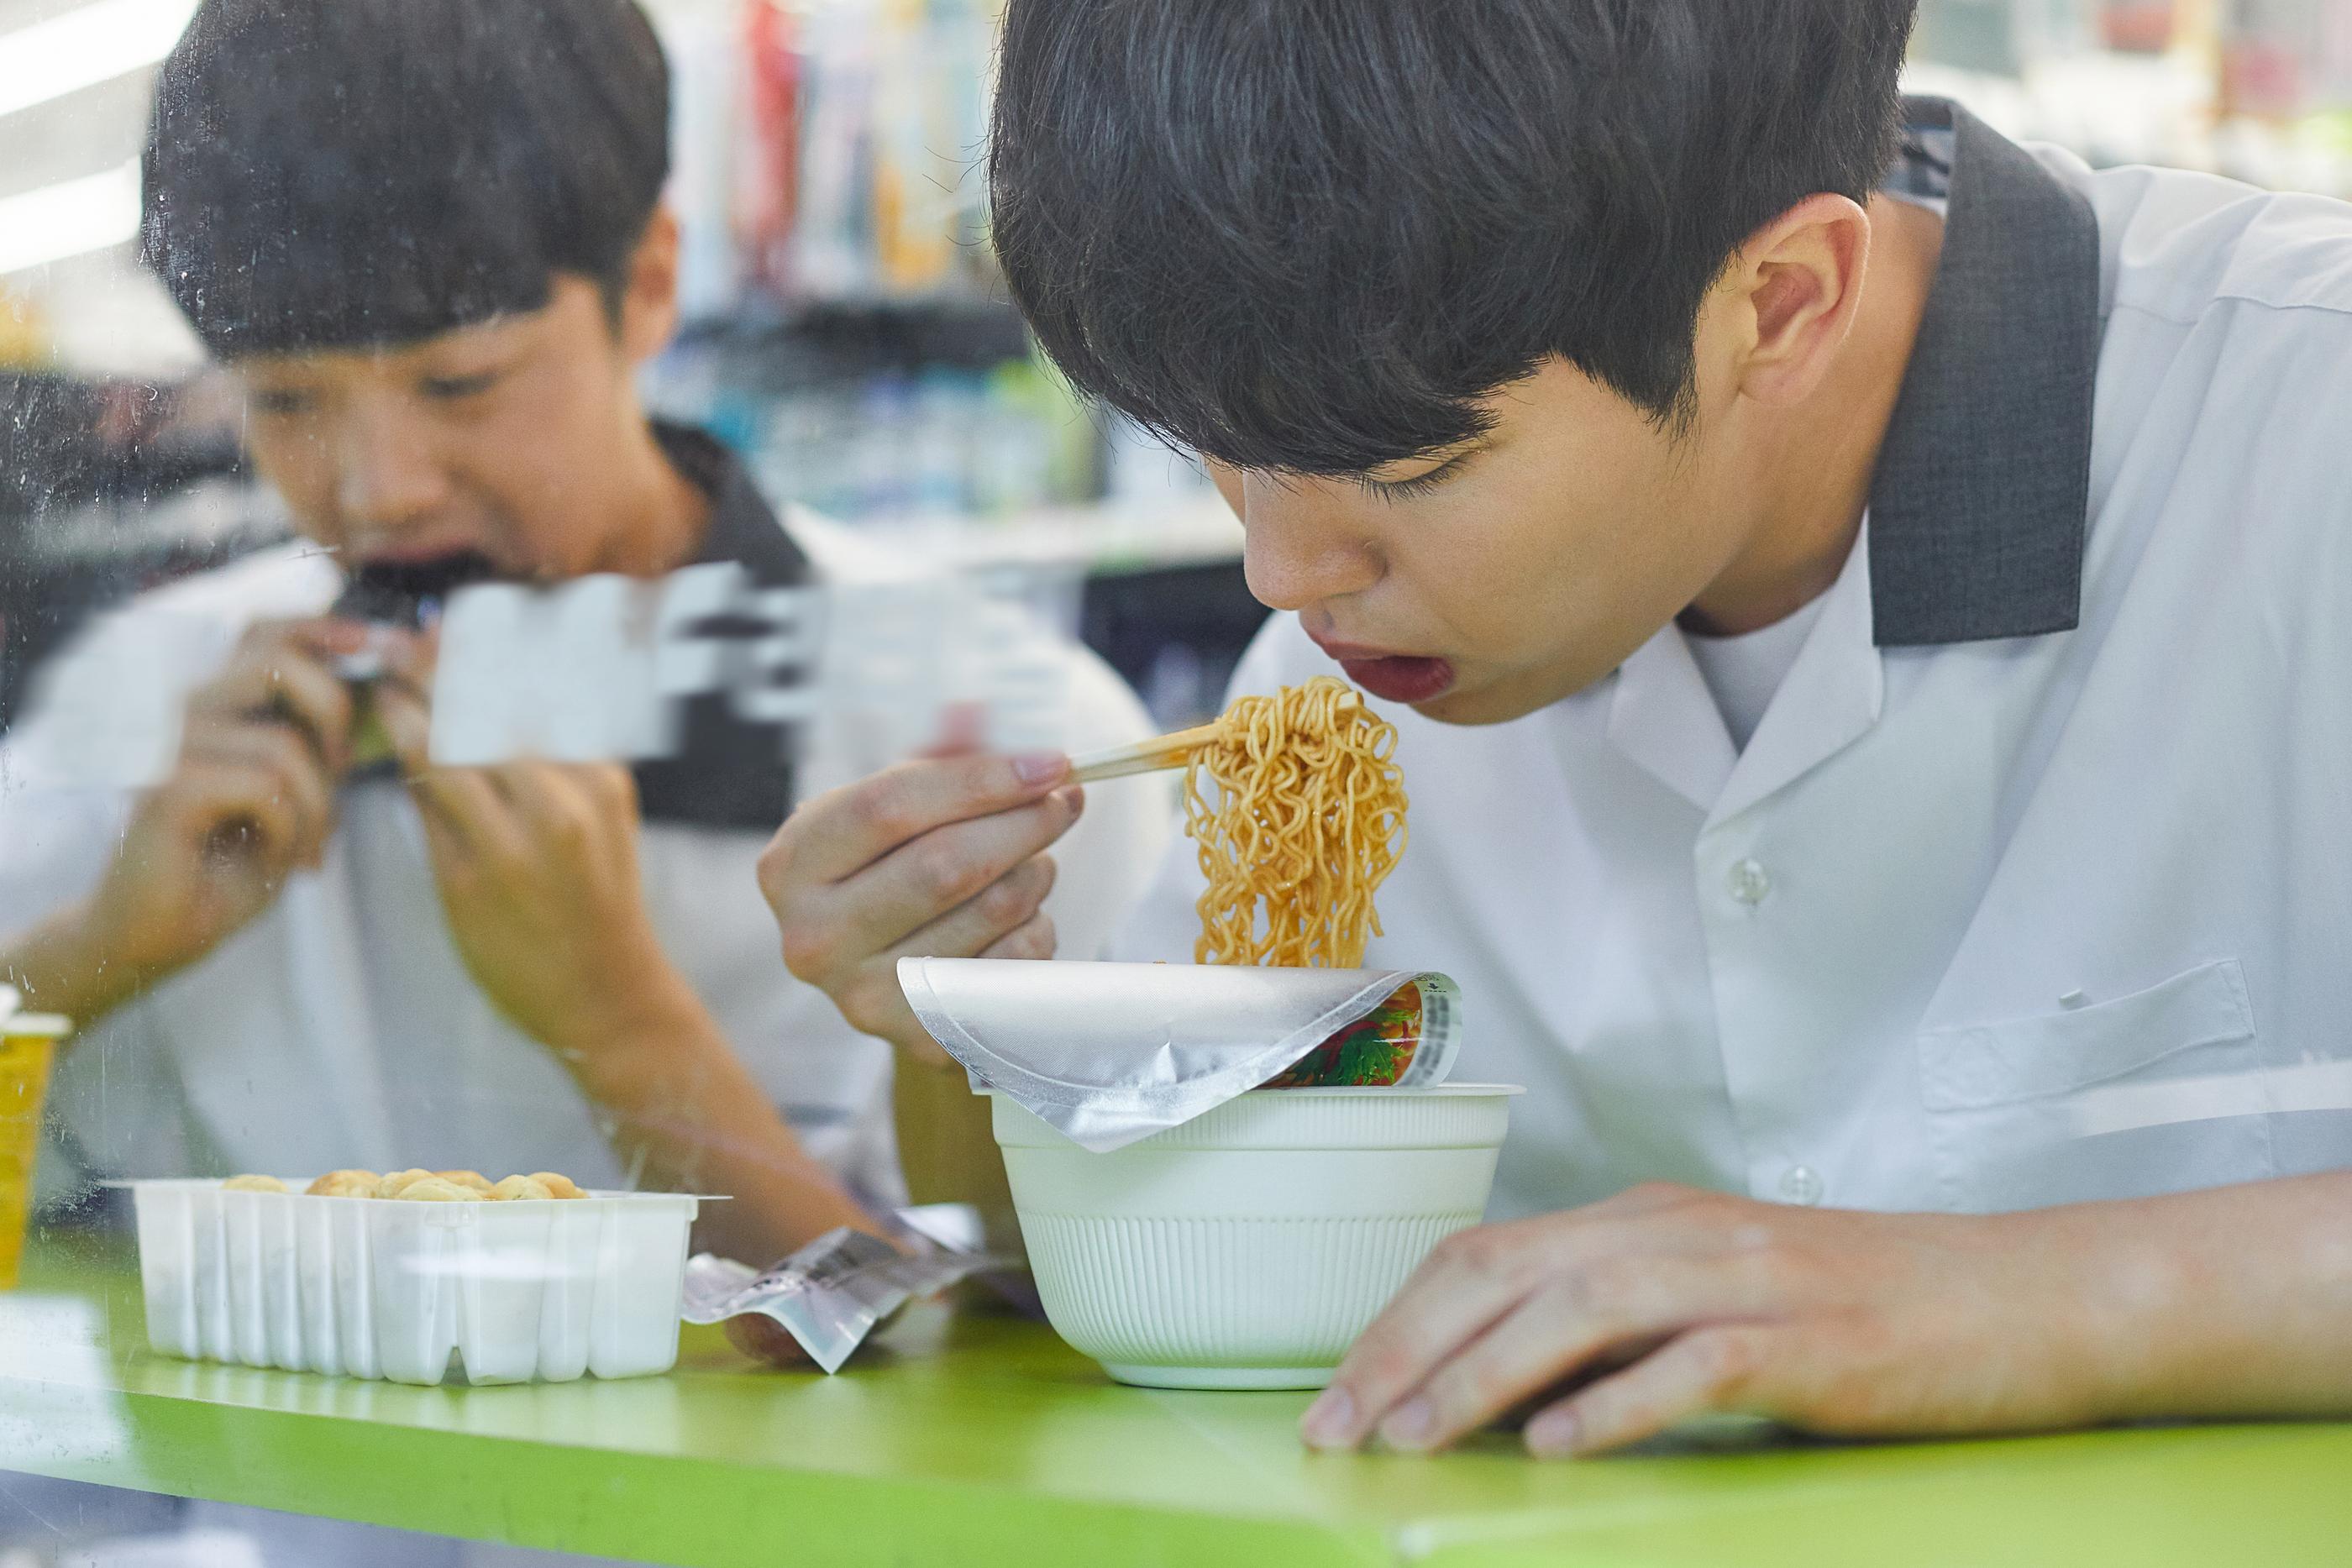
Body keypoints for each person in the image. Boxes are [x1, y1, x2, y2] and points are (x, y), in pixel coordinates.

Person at [760, 0, 2352, 1455]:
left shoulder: (2301, 429)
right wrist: (966, 1033)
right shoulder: (1350, 691)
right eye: (1212, 449)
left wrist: (2028, 1297)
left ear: (1778, 304)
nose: (1281, 570)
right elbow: (1169, 1264)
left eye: (1402, 472)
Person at [0, 0, 1163, 1266]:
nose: (379, 489)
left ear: (651, 286)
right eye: (286, 401)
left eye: (462, 384)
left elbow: (1033, 1352)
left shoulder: (1008, 748)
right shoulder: (155, 707)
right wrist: (100, 947)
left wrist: (618, 1021)